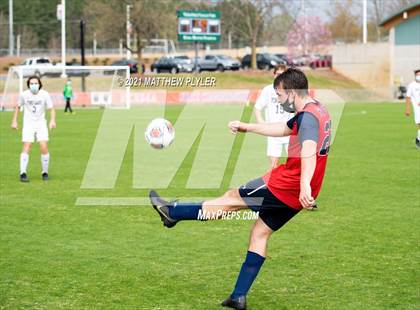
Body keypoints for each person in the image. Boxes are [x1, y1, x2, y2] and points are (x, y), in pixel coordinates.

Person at [149, 68, 331, 309]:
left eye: (278, 95)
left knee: (231, 198)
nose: (277, 100)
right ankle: (238, 296)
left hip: (286, 184)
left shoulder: (307, 118)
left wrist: (304, 184)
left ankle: (173, 213)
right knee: (260, 233)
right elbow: (285, 129)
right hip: (297, 193)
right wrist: (247, 126)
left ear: (290, 91)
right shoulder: (316, 109)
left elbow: (308, 149)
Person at [11, 76, 56, 182]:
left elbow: (51, 108)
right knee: (27, 145)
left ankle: (45, 172)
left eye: (36, 83)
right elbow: (18, 107)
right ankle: (23, 173)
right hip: (28, 124)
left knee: (43, 146)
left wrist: (52, 120)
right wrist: (14, 121)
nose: (34, 85)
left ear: (39, 84)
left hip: (41, 123)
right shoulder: (24, 94)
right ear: (28, 85)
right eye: (31, 83)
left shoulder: (45, 94)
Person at [254, 64, 293, 169]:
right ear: (274, 75)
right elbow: (257, 108)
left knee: (295, 164)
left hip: (289, 132)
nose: (280, 76)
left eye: (283, 74)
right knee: (273, 165)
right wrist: (261, 123)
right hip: (273, 132)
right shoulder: (268, 90)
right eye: (278, 74)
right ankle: (272, 185)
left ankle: (293, 185)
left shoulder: (291, 89)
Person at [405, 69, 420, 148]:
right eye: (418, 75)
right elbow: (408, 97)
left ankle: (418, 139)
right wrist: (407, 109)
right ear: (415, 76)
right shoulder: (412, 85)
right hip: (417, 108)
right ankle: (418, 139)